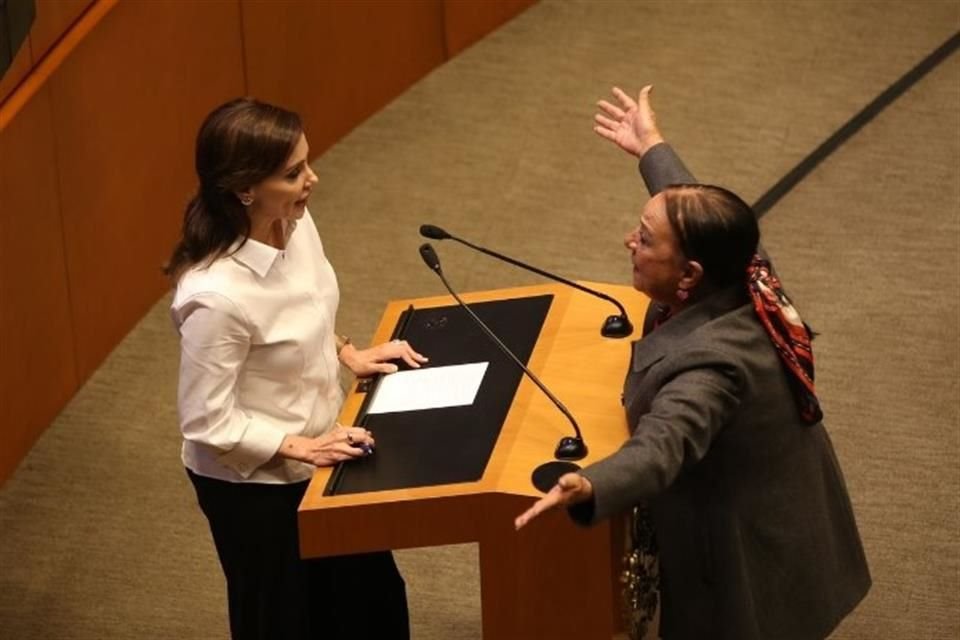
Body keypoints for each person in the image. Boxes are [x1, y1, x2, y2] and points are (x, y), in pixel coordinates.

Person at [515, 86, 871, 639]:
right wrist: (651, 146)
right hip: (784, 499)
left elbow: (662, 445)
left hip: (743, 547)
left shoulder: (712, 367)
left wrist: (589, 485)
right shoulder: (746, 270)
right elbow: (696, 209)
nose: (627, 240)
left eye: (646, 239)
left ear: (689, 276)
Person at [165, 97, 427, 640]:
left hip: (325, 450)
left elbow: (300, 315)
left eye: (306, 162)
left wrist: (346, 353)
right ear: (244, 189)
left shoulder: (294, 224)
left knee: (373, 603)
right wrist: (301, 446)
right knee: (287, 618)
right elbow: (205, 422)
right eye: (293, 173)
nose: (313, 178)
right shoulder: (215, 297)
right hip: (255, 488)